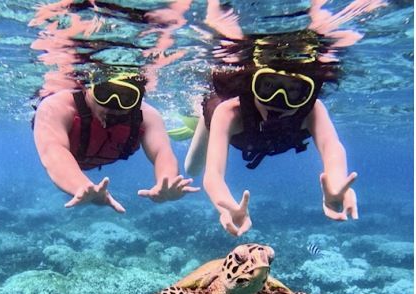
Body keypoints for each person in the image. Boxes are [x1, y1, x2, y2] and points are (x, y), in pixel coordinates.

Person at [183, 62, 358, 237]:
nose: (279, 98)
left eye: (293, 91)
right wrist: (225, 206)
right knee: (192, 168)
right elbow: (213, 174)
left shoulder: (313, 111)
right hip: (222, 125)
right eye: (268, 85)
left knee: (192, 168)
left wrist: (337, 182)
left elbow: (331, 146)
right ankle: (198, 119)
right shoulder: (229, 112)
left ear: (307, 94)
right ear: (253, 85)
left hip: (254, 137)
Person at [33, 72, 199, 212]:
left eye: (126, 98)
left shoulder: (146, 116)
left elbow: (162, 152)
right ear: (88, 88)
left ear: (138, 99)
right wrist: (80, 186)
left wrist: (168, 182)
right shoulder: (56, 106)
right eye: (104, 93)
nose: (113, 105)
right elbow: (53, 150)